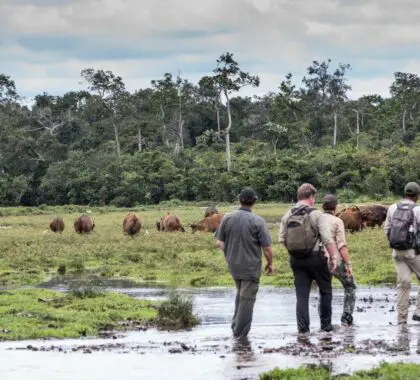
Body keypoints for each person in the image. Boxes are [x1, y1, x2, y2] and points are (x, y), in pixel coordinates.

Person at [279, 183, 338, 334]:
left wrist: (295, 252)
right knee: (325, 290)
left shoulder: (287, 214)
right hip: (316, 258)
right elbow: (327, 239)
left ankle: (303, 329)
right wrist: (333, 257)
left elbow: (282, 239)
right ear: (311, 197)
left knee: (302, 295)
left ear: (298, 197)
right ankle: (325, 326)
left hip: (296, 260)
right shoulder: (317, 214)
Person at [216, 187, 273, 338]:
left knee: (241, 294)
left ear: (239, 199)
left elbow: (219, 243)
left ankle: (235, 325)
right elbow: (267, 248)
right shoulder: (258, 221)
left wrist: (230, 256)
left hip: (234, 266)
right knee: (247, 300)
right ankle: (239, 337)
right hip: (251, 268)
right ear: (254, 202)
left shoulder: (227, 218)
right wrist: (270, 264)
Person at [384, 182, 420, 325]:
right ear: (417, 195)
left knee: (403, 284)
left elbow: (387, 229)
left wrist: (396, 243)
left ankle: (401, 320)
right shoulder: (418, 209)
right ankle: (418, 312)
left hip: (397, 252)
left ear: (404, 193)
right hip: (413, 252)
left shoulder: (393, 207)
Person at [322, 194, 356, 327]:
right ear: (335, 208)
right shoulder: (337, 221)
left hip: (319, 260)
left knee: (324, 289)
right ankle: (346, 318)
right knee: (350, 286)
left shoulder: (316, 219)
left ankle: (324, 320)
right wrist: (348, 263)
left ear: (322, 206)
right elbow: (341, 246)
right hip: (335, 260)